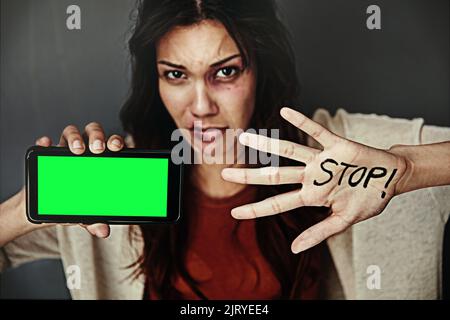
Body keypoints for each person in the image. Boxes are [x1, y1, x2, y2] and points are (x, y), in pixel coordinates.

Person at [0, 0, 449, 300]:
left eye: (226, 72)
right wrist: (27, 207)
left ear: (261, 71)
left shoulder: (340, 150)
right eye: (175, 75)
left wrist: (406, 169)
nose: (200, 107)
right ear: (154, 80)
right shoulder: (113, 181)